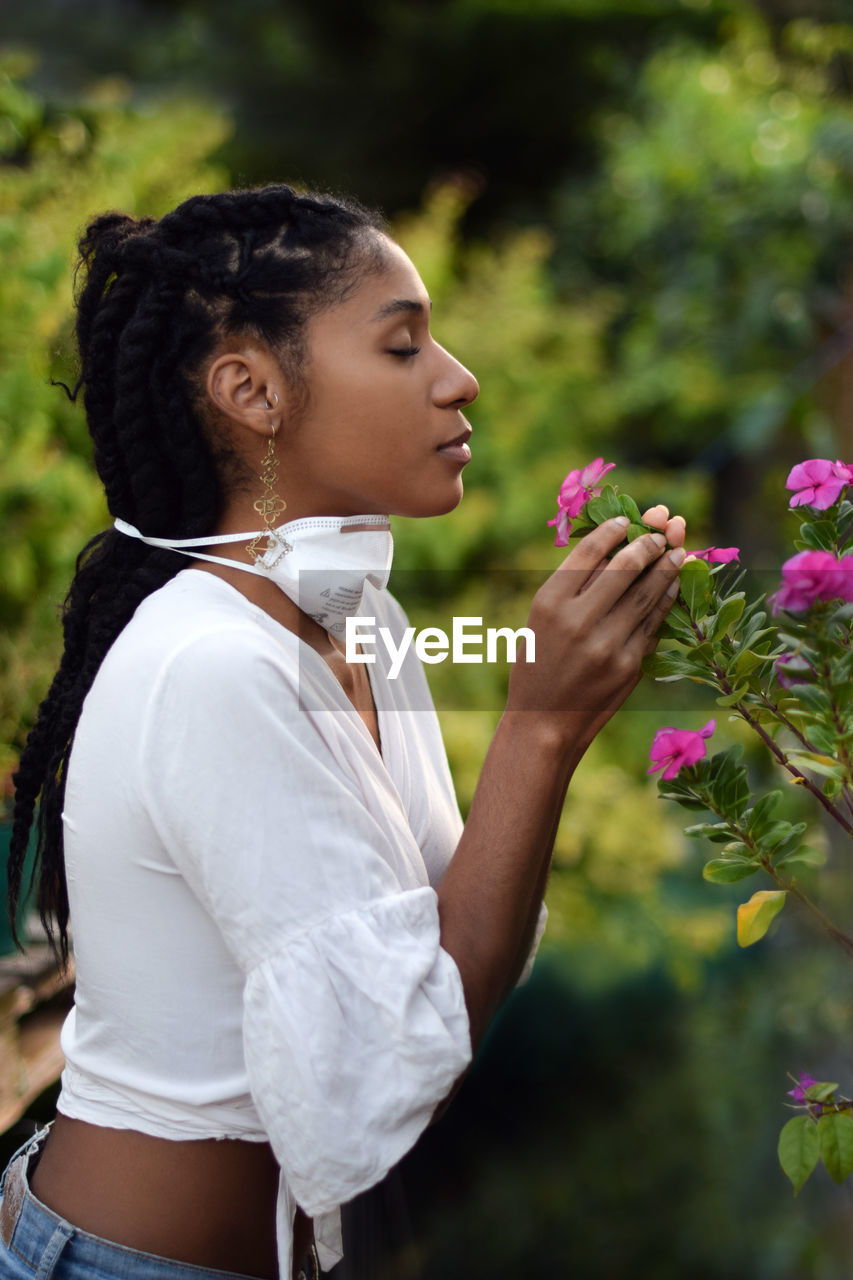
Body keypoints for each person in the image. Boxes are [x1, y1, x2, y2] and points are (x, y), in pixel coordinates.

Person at [3, 183, 686, 1280]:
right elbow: (401, 1045)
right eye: (404, 345)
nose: (459, 378)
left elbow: (436, 990)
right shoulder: (212, 663)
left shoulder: (360, 621)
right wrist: (542, 726)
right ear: (251, 390)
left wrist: (558, 709)